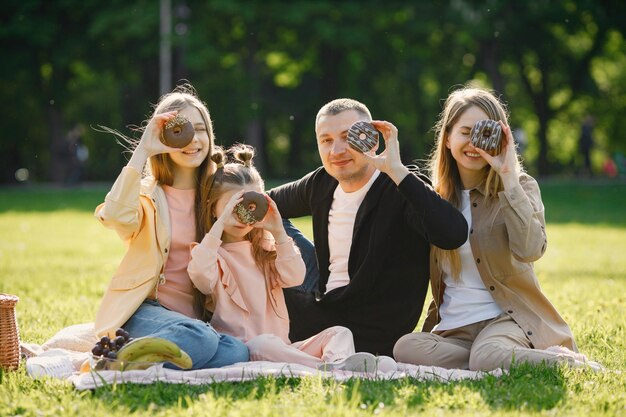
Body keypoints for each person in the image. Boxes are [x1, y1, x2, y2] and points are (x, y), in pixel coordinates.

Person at [393, 87, 600, 371]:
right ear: (448, 138)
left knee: (487, 354)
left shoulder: (520, 186)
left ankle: (563, 363)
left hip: (507, 319)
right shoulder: (434, 200)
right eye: (466, 132)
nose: (474, 143)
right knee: (406, 347)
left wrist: (507, 176)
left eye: (484, 132)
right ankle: (487, 359)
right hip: (456, 330)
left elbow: (530, 250)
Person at [268, 98, 469, 357]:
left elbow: (453, 234)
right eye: (326, 140)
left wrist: (398, 172)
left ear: (372, 139)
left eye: (347, 137)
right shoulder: (322, 183)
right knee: (267, 215)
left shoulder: (402, 187)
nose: (336, 150)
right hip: (324, 301)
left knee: (262, 304)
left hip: (369, 330)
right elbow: (262, 203)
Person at [187, 145, 396, 372]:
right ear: (213, 207)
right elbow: (201, 279)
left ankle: (336, 364)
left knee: (339, 332)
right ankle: (336, 370)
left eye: (248, 206)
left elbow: (295, 277)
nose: (241, 214)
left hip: (283, 347)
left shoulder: (266, 248)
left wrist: (277, 231)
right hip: (246, 347)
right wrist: (220, 223)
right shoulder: (210, 253)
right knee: (263, 344)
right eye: (231, 206)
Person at [93, 85, 249, 369]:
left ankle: (131, 362)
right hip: (144, 311)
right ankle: (124, 359)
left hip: (193, 319)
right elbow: (115, 215)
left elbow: (256, 212)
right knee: (200, 338)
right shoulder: (147, 196)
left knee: (237, 352)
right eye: (182, 129)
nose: (193, 138)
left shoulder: (218, 195)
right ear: (164, 137)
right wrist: (143, 148)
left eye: (200, 129)